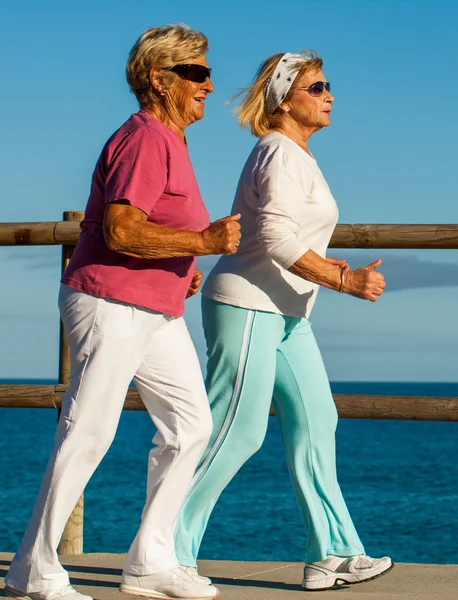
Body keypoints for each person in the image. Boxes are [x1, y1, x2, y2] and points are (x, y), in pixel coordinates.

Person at [4, 24, 241, 600]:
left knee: (191, 425)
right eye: (197, 73)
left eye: (208, 72)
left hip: (153, 308)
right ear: (160, 80)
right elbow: (122, 228)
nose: (210, 84)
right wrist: (204, 244)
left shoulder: (170, 140)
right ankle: (34, 568)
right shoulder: (146, 139)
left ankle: (150, 562)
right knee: (89, 430)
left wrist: (184, 264)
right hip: (110, 301)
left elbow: (154, 230)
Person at [174, 51, 393, 591]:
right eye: (317, 88)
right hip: (247, 303)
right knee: (236, 432)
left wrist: (321, 266)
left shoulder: (298, 156)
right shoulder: (276, 152)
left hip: (287, 312)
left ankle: (333, 554)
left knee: (319, 421)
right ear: (284, 98)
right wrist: (342, 280)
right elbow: (273, 239)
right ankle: (164, 548)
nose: (329, 96)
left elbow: (292, 236)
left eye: (327, 86)